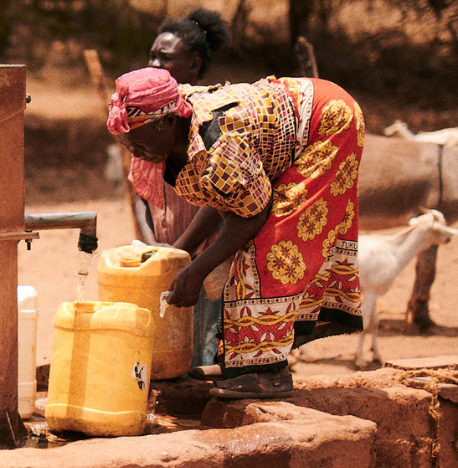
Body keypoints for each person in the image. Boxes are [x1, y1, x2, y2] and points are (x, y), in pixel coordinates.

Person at [108, 67, 364, 399]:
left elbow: (251, 215)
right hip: (290, 117)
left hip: (328, 123)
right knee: (247, 248)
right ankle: (241, 360)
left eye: (139, 144)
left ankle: (266, 373)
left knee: (271, 247)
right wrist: (179, 253)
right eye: (129, 146)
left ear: (167, 122)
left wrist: (197, 270)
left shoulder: (218, 141)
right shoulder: (180, 133)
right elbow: (224, 195)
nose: (135, 154)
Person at [134, 9, 230, 369]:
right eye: (153, 55)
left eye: (166, 57)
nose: (155, 63)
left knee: (201, 349)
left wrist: (179, 252)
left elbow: (219, 202)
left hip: (205, 257)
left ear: (193, 64)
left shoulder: (204, 120)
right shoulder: (145, 115)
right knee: (167, 348)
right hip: (165, 254)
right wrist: (153, 246)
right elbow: (142, 192)